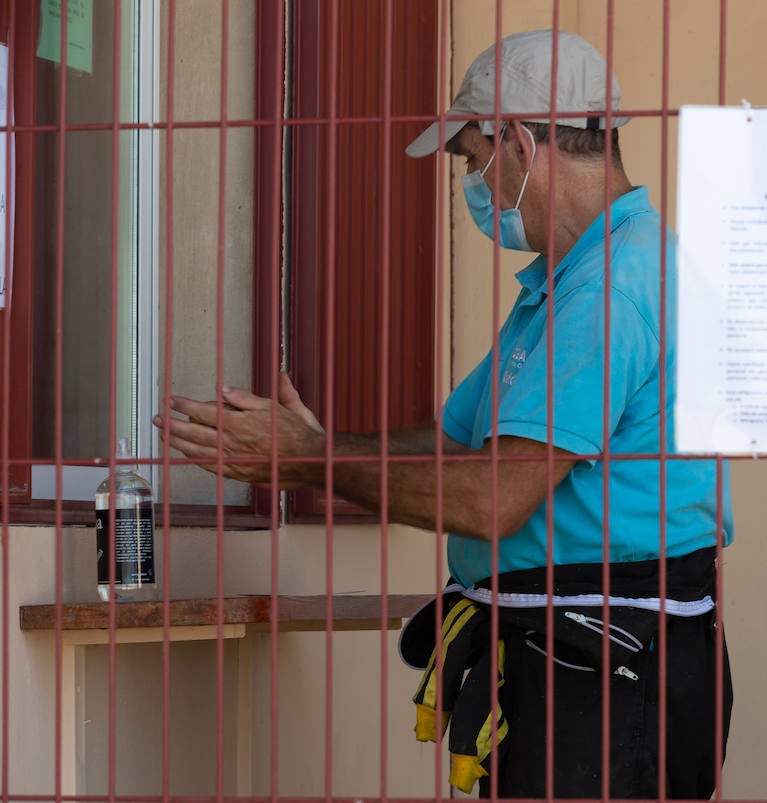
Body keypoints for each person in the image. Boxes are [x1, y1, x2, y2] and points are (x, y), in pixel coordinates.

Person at [155, 29, 732, 800]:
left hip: (610, 676)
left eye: (470, 157)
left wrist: (308, 463)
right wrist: (325, 445)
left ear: (521, 142)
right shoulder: (575, 279)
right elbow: (457, 440)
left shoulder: (611, 290)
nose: (472, 183)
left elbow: (493, 495)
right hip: (584, 661)